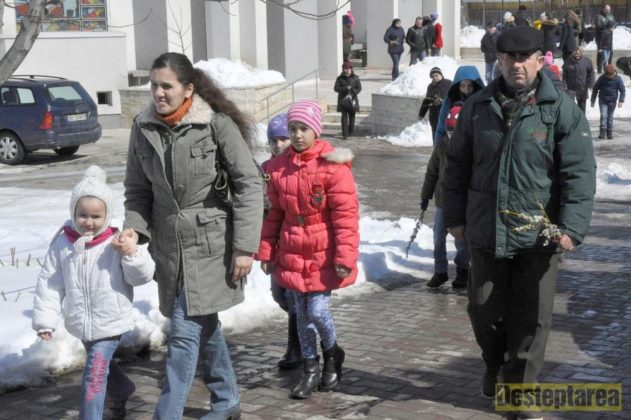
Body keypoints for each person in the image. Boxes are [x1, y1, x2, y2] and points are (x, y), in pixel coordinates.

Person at [442, 27, 596, 419]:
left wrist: (572, 227)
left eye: (525, 57)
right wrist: (454, 217)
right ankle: (495, 364)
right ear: (499, 60)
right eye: (509, 57)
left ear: (540, 60)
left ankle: (520, 391)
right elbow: (456, 165)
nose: (517, 65)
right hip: (486, 229)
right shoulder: (478, 106)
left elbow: (578, 171)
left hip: (540, 235)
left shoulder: (560, 108)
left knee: (532, 319)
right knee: (483, 309)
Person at [117, 52, 264, 419]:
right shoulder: (143, 127)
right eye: (154, 85)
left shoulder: (215, 125)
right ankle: (227, 400)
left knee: (183, 334)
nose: (159, 93)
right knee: (204, 326)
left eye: (167, 86)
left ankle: (166, 414)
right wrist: (135, 229)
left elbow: (249, 185)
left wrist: (245, 247)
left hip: (212, 246)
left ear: (188, 89)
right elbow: (137, 190)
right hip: (169, 250)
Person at [32, 165, 155, 420]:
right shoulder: (63, 243)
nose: (89, 222)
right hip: (81, 320)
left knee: (94, 375)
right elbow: (50, 283)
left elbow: (141, 276)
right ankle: (121, 389)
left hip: (110, 320)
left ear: (107, 215)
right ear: (73, 212)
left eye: (96, 216)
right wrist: (45, 320)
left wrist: (131, 253)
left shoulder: (116, 240)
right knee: (99, 366)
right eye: (83, 215)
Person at [257, 100, 360, 399]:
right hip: (292, 248)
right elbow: (274, 214)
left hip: (322, 251)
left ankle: (332, 353)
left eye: (303, 128)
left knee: (316, 310)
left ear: (316, 130)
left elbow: (346, 217)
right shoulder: (278, 169)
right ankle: (310, 368)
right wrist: (267, 251)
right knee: (300, 314)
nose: (297, 135)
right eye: (293, 129)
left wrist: (345, 256)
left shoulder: (332, 167)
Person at [264, 113, 305, 370]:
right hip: (275, 244)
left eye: (283, 139)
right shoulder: (265, 170)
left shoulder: (298, 167)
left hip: (297, 243)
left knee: (293, 296)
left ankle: (296, 348)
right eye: (273, 140)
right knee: (279, 294)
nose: (278, 145)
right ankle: (306, 330)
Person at [420, 102, 470, 289]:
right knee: (438, 237)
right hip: (442, 201)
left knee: (461, 239)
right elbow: (432, 172)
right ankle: (440, 271)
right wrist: (425, 195)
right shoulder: (442, 145)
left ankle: (463, 270)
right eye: (449, 131)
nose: (451, 135)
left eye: (454, 132)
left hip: (461, 202)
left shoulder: (470, 147)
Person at [433, 65, 485, 145]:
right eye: (463, 86)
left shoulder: (483, 100)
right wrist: (437, 148)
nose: (466, 90)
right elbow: (441, 128)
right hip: (454, 145)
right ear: (458, 86)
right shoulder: (450, 99)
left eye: (470, 86)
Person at [591, 64, 625, 140]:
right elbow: (595, 89)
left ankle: (609, 133)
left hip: (612, 101)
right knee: (603, 115)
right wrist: (592, 100)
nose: (609, 76)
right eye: (608, 75)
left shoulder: (618, 79)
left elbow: (622, 90)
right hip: (603, 100)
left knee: (610, 117)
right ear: (605, 73)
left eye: (611, 75)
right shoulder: (601, 78)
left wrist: (621, 100)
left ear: (614, 73)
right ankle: (602, 133)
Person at [419, 66, 452, 140]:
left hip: (446, 115)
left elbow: (454, 97)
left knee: (448, 138)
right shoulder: (430, 87)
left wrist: (443, 101)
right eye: (433, 76)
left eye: (436, 75)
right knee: (436, 137)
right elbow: (427, 101)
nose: (434, 78)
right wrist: (421, 114)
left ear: (441, 75)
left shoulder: (449, 83)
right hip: (434, 117)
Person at [334, 61, 362, 139]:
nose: (347, 70)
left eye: (349, 69)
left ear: (351, 69)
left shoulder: (355, 77)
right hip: (343, 101)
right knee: (344, 118)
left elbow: (359, 88)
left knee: (352, 116)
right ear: (343, 69)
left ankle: (350, 131)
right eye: (345, 69)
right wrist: (345, 88)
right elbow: (336, 88)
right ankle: (345, 134)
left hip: (352, 100)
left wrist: (354, 91)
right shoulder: (340, 78)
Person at [562, 47, 595, 112]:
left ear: (581, 53)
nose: (577, 55)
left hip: (582, 88)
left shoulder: (587, 61)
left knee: (582, 108)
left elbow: (591, 73)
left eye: (579, 54)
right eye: (575, 53)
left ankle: (581, 118)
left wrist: (591, 83)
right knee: (570, 106)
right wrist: (564, 83)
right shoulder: (568, 61)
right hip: (571, 87)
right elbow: (565, 74)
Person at [595, 5, 616, 73]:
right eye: (607, 10)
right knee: (601, 55)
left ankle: (608, 70)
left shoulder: (611, 16)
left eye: (609, 10)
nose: (608, 11)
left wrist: (613, 27)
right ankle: (599, 69)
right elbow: (598, 26)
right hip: (600, 38)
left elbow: (615, 24)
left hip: (609, 38)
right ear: (603, 9)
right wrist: (608, 28)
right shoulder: (599, 17)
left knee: (610, 54)